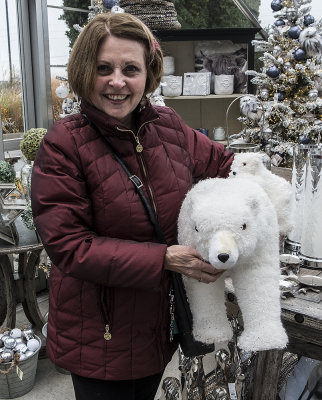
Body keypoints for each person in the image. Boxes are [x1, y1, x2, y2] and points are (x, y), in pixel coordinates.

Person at [31, 12, 233, 400]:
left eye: (131, 68)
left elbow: (225, 165)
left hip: (160, 325)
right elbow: (71, 247)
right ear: (84, 70)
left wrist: (248, 211)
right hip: (101, 334)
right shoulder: (64, 145)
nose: (117, 81)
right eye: (103, 68)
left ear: (148, 73)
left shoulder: (168, 126)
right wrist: (165, 259)